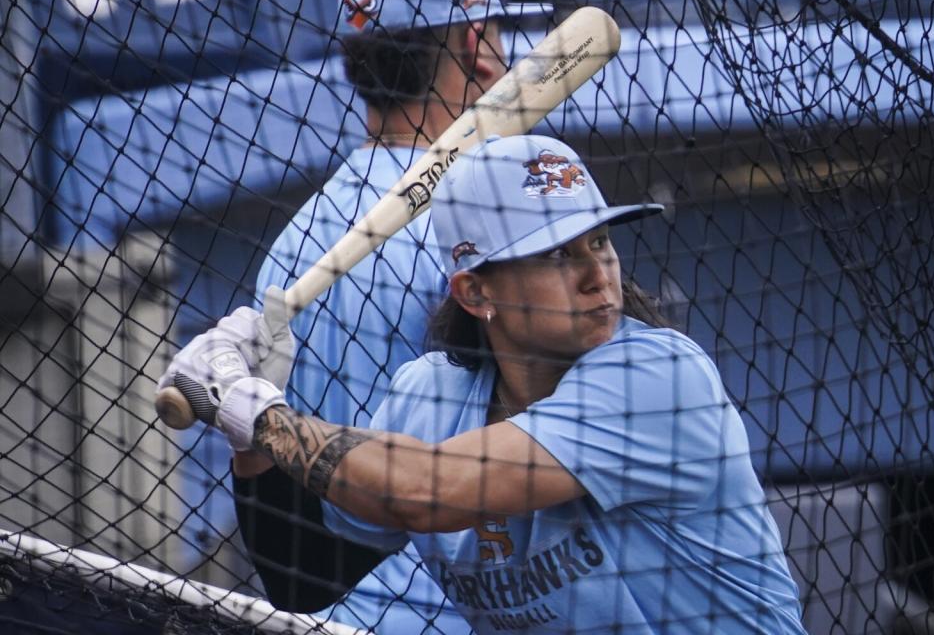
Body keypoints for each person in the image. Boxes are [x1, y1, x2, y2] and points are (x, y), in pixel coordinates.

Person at [160, 134, 807, 634]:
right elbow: (308, 576)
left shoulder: (656, 377)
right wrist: (247, 441)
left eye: (600, 243)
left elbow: (425, 492)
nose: (597, 276)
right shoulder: (430, 395)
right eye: (558, 255)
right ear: (475, 291)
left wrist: (257, 411)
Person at [232, 0, 546, 632]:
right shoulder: (494, 222)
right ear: (475, 46)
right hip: (484, 598)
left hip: (338, 606)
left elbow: (278, 510)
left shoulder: (290, 247)